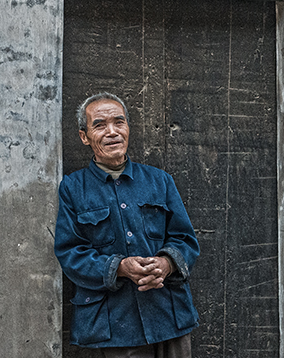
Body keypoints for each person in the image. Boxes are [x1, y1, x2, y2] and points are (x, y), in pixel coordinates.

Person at [54, 92, 200, 358]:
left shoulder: (160, 180)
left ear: (128, 128)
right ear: (84, 137)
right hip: (115, 322)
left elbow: (185, 240)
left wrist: (166, 263)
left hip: (169, 313)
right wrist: (119, 267)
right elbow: (70, 252)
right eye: (100, 125)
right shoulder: (73, 188)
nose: (112, 132)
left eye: (119, 122)